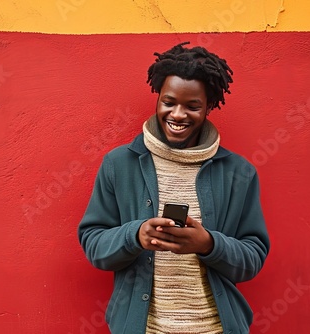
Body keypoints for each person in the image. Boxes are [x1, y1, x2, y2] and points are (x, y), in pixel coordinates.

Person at [77, 42, 270, 334]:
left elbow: (252, 258)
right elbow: (94, 245)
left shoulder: (239, 173)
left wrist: (209, 244)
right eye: (169, 102)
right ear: (158, 98)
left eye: (192, 106)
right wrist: (136, 235)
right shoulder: (119, 164)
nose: (178, 114)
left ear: (209, 107)